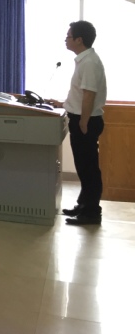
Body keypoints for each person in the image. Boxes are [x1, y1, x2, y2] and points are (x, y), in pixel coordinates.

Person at [48, 21, 107, 226]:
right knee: (84, 167)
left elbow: (89, 95)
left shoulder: (89, 62)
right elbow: (80, 94)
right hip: (83, 119)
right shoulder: (84, 60)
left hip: (86, 121)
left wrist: (83, 122)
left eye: (69, 36)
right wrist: (62, 104)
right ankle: (83, 205)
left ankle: (91, 213)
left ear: (79, 40)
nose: (66, 39)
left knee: (89, 169)